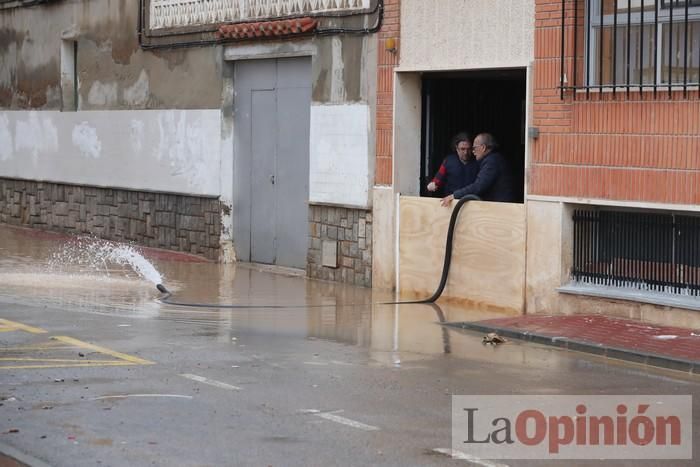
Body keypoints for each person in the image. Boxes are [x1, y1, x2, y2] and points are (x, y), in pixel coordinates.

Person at [440, 133, 513, 206]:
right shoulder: (493, 159)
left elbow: (478, 186)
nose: (473, 152)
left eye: (474, 148)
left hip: (501, 208)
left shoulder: (491, 162)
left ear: (483, 147)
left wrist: (454, 196)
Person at [426, 132, 479, 196]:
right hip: (451, 201)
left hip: (472, 200)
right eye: (462, 149)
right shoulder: (448, 161)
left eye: (469, 149)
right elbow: (438, 179)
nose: (466, 152)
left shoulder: (478, 162)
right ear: (456, 148)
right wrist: (433, 184)